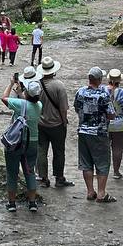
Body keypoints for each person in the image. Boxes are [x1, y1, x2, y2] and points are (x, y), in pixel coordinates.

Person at [73, 67, 116, 203]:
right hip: (99, 132)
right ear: (99, 80)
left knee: (86, 162)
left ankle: (90, 191)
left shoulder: (80, 92)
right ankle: (101, 193)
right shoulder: (103, 95)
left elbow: (76, 108)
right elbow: (111, 114)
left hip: (83, 131)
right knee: (102, 162)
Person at [1, 78, 43, 212]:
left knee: (12, 172)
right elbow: (27, 104)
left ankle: (12, 203)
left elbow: (4, 98)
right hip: (32, 142)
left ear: (27, 93)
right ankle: (32, 203)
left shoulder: (19, 104)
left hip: (16, 142)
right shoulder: (39, 106)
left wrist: (11, 83)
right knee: (30, 171)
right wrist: (21, 93)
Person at [36, 56, 72, 189]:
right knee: (59, 152)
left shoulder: (37, 84)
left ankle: (43, 178)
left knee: (41, 151)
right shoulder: (59, 86)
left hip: (40, 123)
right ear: (53, 70)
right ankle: (59, 178)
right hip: (56, 124)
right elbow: (63, 108)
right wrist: (64, 121)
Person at [106, 69, 123, 179]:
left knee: (103, 147)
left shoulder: (102, 90)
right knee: (117, 149)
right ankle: (116, 171)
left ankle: (102, 169)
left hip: (106, 123)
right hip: (120, 125)